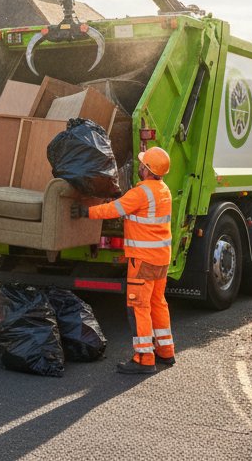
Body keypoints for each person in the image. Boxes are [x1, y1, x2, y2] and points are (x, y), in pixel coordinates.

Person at [74, 146, 175, 374]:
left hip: (142, 261)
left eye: (142, 164)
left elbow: (113, 209)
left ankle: (144, 358)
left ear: (147, 169)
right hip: (160, 258)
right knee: (158, 303)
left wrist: (86, 212)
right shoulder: (163, 190)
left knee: (139, 306)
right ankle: (166, 351)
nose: (139, 166)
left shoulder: (141, 193)